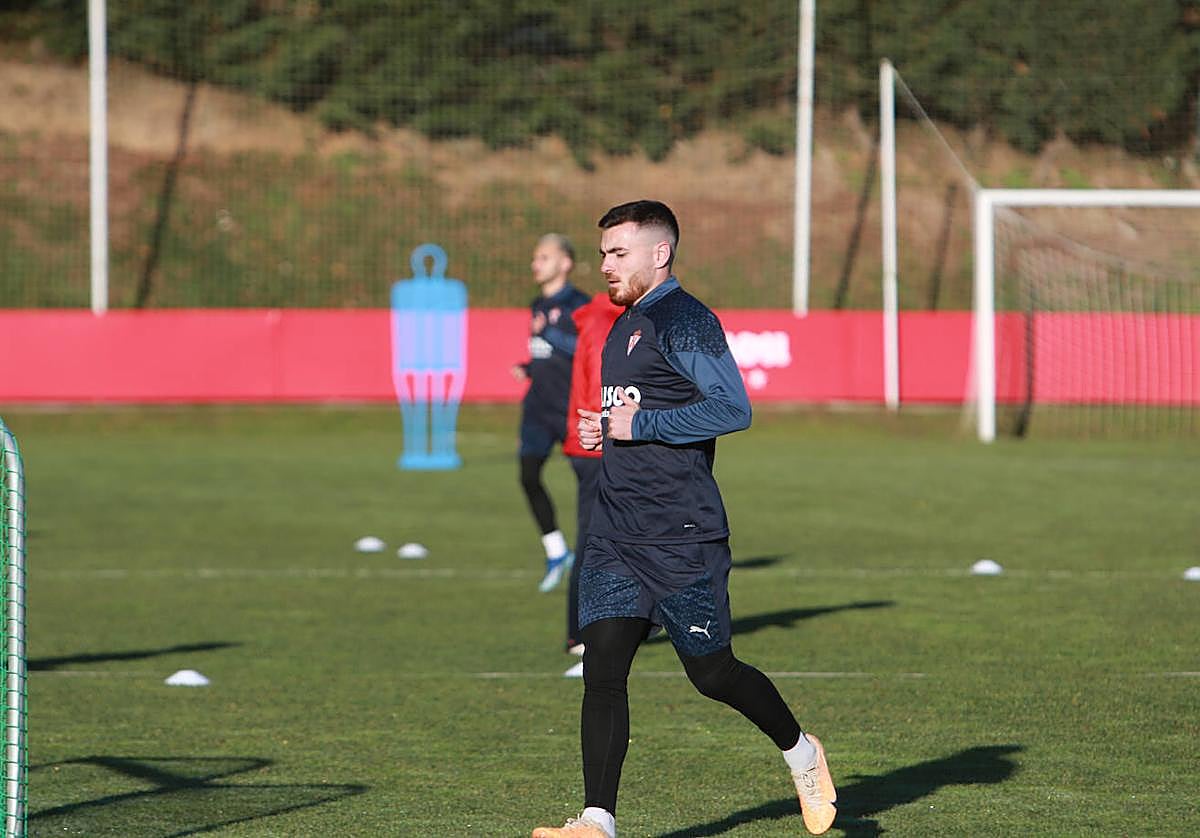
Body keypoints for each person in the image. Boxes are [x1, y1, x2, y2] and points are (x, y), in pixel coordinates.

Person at [532, 201, 837, 838]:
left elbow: (732, 409)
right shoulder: (624, 323)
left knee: (712, 673)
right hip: (616, 533)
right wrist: (606, 431)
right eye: (603, 254)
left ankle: (802, 753)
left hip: (681, 535)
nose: (606, 265)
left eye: (619, 253)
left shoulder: (686, 320)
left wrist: (638, 424)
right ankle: (597, 821)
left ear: (660, 253)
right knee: (603, 670)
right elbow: (634, 415)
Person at [512, 234, 592, 593]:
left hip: (570, 409)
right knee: (528, 476)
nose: (536, 264)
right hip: (537, 408)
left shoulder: (580, 305)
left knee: (591, 487)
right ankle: (557, 551)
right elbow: (546, 353)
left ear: (565, 263)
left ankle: (601, 557)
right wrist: (528, 367)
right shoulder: (537, 304)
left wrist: (551, 335)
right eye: (535, 258)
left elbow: (586, 349)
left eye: (543, 258)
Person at [560, 289, 623, 676]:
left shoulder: (606, 317)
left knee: (609, 537)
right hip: (596, 447)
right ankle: (581, 631)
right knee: (594, 541)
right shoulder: (604, 323)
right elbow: (606, 388)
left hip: (596, 444)